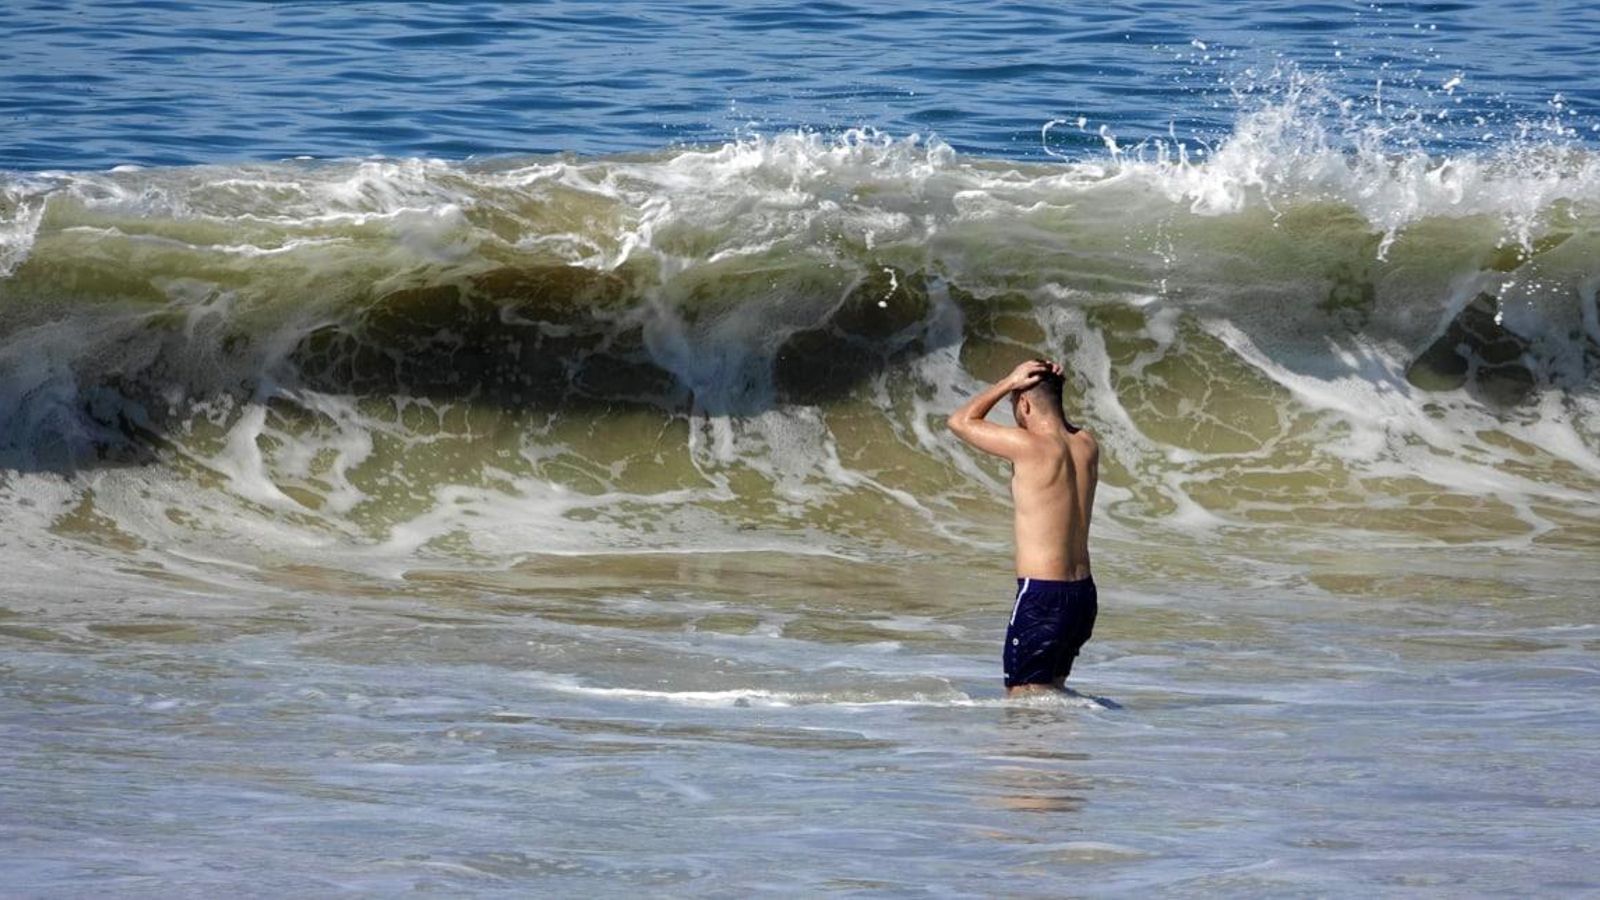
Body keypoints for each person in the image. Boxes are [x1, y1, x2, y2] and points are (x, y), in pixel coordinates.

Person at [946, 359, 1099, 696]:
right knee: (1051, 696)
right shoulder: (1087, 444)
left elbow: (959, 422)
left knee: (1022, 699)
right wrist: (1047, 386)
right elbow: (1058, 422)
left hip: (1042, 594)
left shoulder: (1028, 446)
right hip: (1082, 596)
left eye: (1016, 404)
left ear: (1025, 404)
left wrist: (1007, 381)